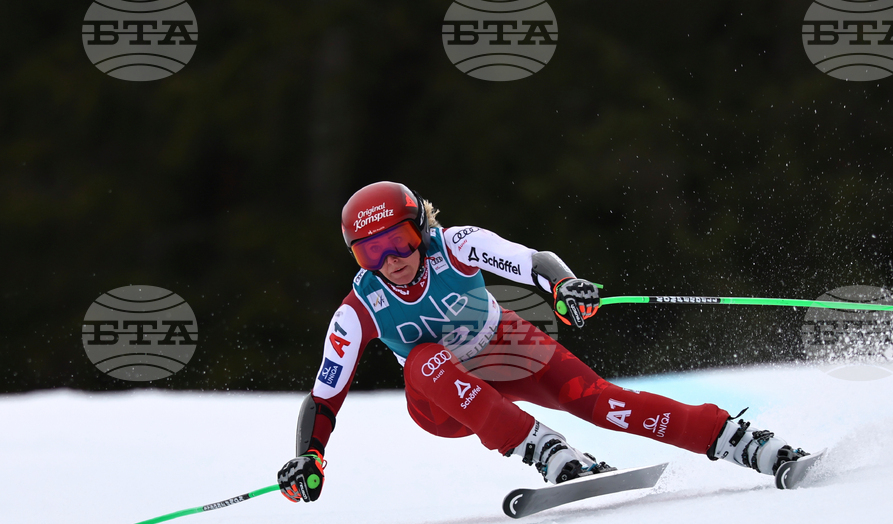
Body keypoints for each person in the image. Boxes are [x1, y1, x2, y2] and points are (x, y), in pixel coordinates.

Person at [277, 181, 809, 502]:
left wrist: (563, 286)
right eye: (371, 253)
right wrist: (309, 456)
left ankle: (737, 440)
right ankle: (543, 449)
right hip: (442, 401)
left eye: (399, 241)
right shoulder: (357, 310)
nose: (391, 260)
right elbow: (324, 396)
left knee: (602, 402)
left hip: (504, 344)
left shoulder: (457, 245)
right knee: (422, 358)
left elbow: (530, 262)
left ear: (422, 229)